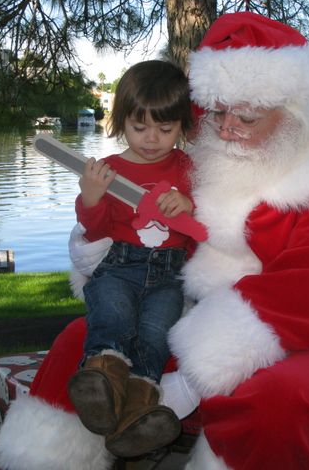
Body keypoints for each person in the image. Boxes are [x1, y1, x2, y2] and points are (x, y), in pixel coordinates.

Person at [0, 12, 309, 470]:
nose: (225, 128)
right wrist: (102, 233)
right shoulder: (200, 152)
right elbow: (158, 230)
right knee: (79, 345)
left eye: (247, 116)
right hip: (182, 309)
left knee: (277, 402)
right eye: (216, 112)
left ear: (293, 111)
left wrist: (196, 374)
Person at [71, 59, 196, 457]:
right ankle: (101, 379)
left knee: (158, 332)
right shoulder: (109, 171)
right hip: (119, 264)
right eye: (139, 127)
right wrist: (90, 197)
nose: (152, 138)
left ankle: (139, 408)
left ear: (182, 126)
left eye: (165, 128)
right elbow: (95, 229)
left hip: (170, 273)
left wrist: (189, 205)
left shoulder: (189, 169)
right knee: (112, 311)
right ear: (121, 120)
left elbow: (206, 226)